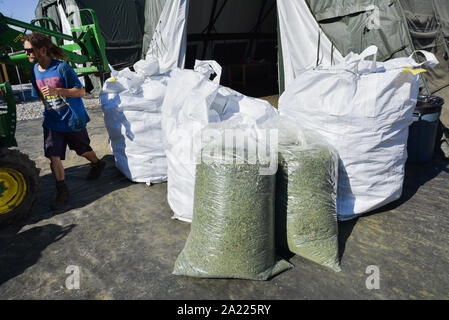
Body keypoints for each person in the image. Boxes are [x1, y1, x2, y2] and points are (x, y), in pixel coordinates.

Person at [23, 32, 106, 210]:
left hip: (71, 120)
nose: (26, 54)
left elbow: (81, 92)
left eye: (29, 50)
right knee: (53, 156)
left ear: (42, 50)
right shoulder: (34, 70)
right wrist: (47, 107)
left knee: (82, 150)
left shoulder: (62, 68)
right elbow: (40, 95)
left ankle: (97, 163)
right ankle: (62, 189)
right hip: (52, 122)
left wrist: (58, 91)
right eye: (25, 50)